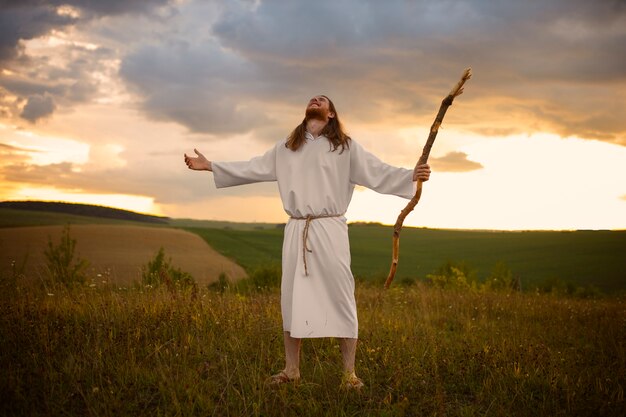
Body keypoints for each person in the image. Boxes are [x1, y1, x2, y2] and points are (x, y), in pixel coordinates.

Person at [184, 95, 431, 390]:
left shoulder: (345, 147)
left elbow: (378, 171)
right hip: (297, 229)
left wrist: (411, 175)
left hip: (330, 230)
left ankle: (349, 375)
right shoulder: (287, 148)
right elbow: (252, 167)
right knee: (292, 298)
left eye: (323, 99)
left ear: (330, 114)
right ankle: (291, 370)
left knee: (341, 296)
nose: (315, 99)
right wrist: (210, 166)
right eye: (313, 97)